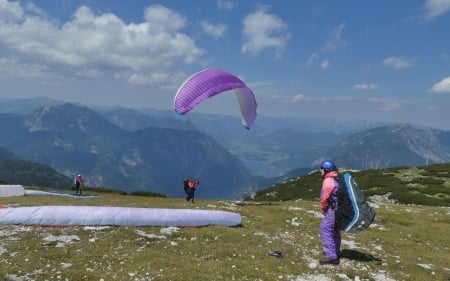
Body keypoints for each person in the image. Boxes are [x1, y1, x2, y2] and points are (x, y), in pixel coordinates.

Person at [318, 160, 341, 265]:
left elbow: (324, 198)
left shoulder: (328, 181)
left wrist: (323, 209)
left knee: (325, 228)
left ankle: (332, 257)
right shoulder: (336, 178)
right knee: (335, 229)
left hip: (332, 209)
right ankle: (335, 251)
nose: (320, 171)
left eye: (321, 169)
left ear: (326, 170)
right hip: (339, 209)